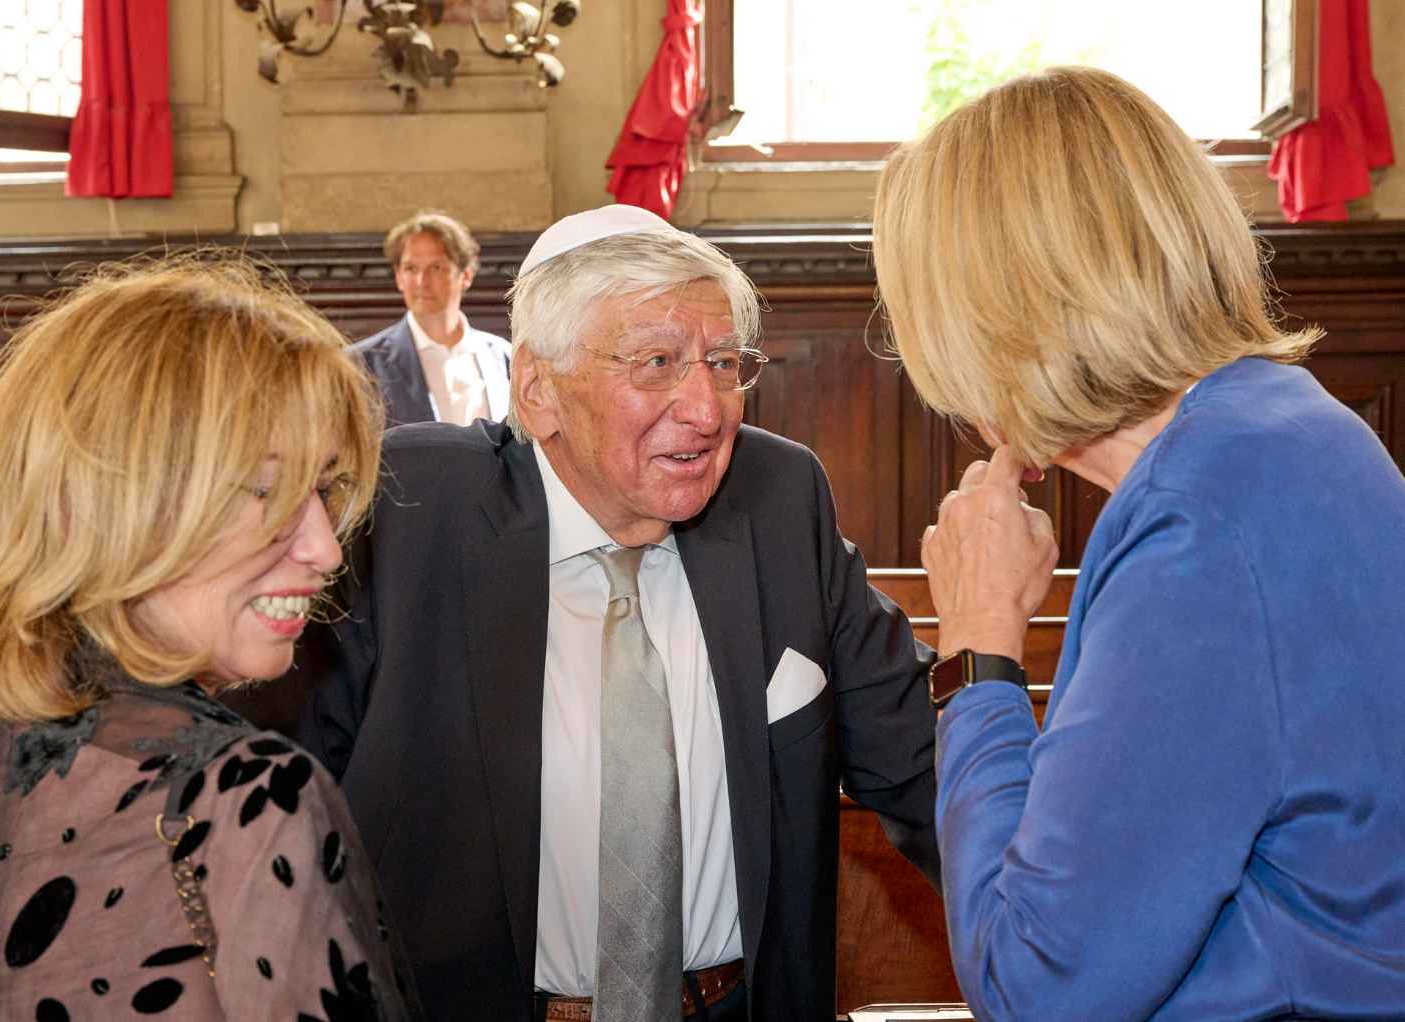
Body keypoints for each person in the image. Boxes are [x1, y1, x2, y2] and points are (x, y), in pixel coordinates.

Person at [300, 204, 941, 1020]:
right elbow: (280, 798)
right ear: (539, 391)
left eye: (723, 362)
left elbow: (917, 759)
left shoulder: (777, 502)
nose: (707, 409)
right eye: (656, 363)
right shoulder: (413, 515)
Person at [873, 66, 1405, 1020]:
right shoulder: (1295, 425)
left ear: (996, 317)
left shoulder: (1196, 522)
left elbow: (1038, 987)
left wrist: (979, 644)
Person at [0, 256, 421, 1020]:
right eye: (266, 489)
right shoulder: (246, 796)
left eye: (322, 490)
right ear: (121, 505)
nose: (326, 549)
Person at [353, 210, 512, 428]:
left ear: (466, 275)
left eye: (436, 268)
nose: (422, 281)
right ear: (399, 277)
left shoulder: (505, 357)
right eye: (411, 269)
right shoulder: (361, 365)